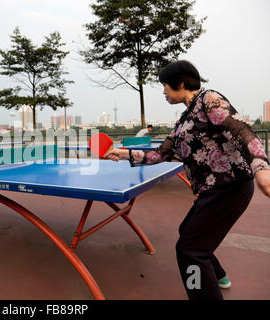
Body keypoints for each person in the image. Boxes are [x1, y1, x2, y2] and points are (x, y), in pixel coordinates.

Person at [105, 60, 270, 300]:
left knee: (189, 251)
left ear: (181, 83)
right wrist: (124, 154)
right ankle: (218, 274)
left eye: (165, 86)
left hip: (230, 187)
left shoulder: (208, 100)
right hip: (213, 191)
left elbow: (241, 130)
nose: (163, 92)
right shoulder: (184, 120)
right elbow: (160, 154)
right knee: (188, 234)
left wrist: (262, 166)